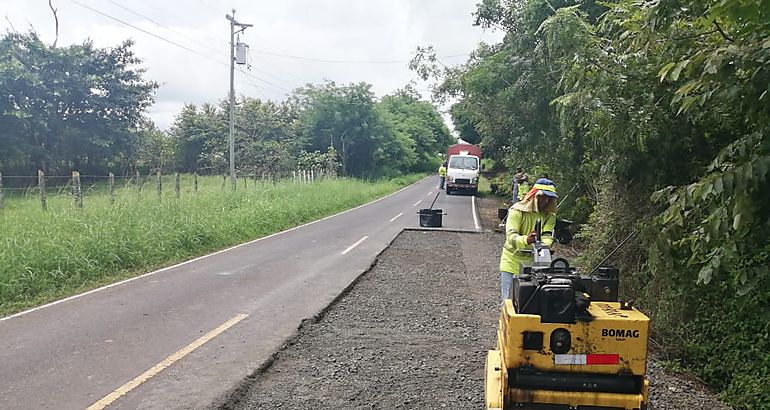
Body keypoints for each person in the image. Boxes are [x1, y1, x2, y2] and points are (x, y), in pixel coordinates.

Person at [499, 178, 558, 302]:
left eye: (549, 198)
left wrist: (542, 245)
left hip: (535, 265)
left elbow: (548, 236)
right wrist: (527, 240)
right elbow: (511, 237)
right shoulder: (516, 211)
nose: (546, 201)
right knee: (508, 301)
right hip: (512, 262)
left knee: (531, 302)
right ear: (535, 196)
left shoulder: (550, 216)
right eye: (543, 197)